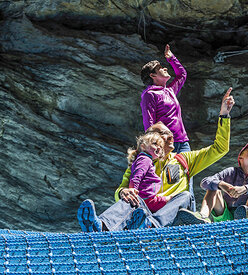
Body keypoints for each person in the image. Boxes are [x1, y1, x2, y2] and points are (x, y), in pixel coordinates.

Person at [77, 87, 235, 232]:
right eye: (164, 133)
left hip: (169, 218)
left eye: (169, 132)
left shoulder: (184, 159)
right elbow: (123, 188)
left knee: (186, 196)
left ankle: (151, 225)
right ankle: (99, 227)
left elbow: (220, 149)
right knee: (132, 197)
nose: (170, 135)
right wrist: (123, 192)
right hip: (141, 213)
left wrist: (224, 115)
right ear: (153, 139)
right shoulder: (140, 161)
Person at [77, 131, 168, 232]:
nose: (159, 147)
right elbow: (137, 175)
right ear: (143, 146)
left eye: (161, 146)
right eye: (155, 144)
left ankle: (102, 226)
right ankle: (103, 226)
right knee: (131, 200)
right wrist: (132, 190)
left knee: (131, 204)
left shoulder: (148, 161)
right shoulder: (145, 159)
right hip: (145, 201)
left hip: (147, 205)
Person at [176, 138, 248, 224]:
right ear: (240, 158)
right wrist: (222, 185)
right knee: (213, 187)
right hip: (225, 214)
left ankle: (245, 215)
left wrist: (245, 188)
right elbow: (205, 182)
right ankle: (203, 216)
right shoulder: (230, 172)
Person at [140, 44, 190, 153]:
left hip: (183, 142)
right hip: (167, 145)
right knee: (172, 171)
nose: (165, 68)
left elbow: (182, 75)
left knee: (188, 170)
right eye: (160, 68)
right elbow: (149, 123)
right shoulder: (149, 94)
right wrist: (155, 146)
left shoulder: (170, 90)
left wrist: (171, 58)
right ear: (153, 75)